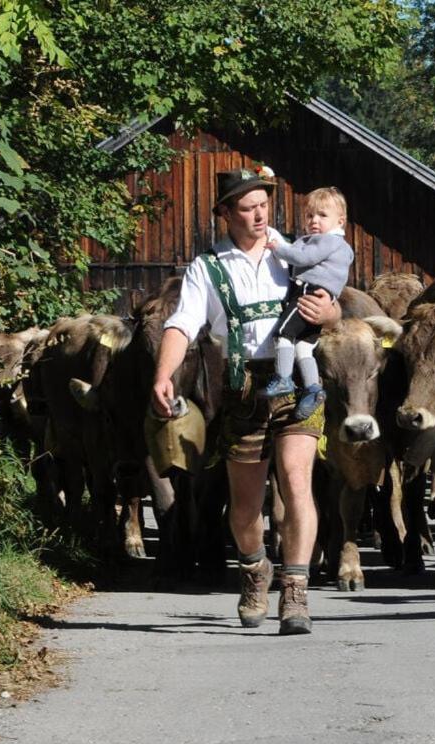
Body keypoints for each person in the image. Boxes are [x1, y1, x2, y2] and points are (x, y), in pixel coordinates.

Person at [152, 167, 341, 635]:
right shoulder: (207, 268)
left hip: (299, 380)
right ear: (224, 213)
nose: (259, 215)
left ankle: (295, 590)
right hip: (241, 388)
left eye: (264, 204)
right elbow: (182, 324)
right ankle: (255, 570)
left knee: (297, 482)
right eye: (247, 207)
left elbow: (335, 299)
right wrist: (163, 373)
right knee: (245, 503)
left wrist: (330, 312)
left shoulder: (296, 252)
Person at [262, 186, 354, 419]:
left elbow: (303, 257)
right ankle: (313, 388)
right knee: (304, 348)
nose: (315, 221)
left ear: (340, 221)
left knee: (283, 334)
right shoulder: (341, 247)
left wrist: (278, 248)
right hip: (321, 299)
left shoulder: (325, 241)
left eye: (323, 215)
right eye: (310, 215)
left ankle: (283, 378)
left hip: (307, 294)